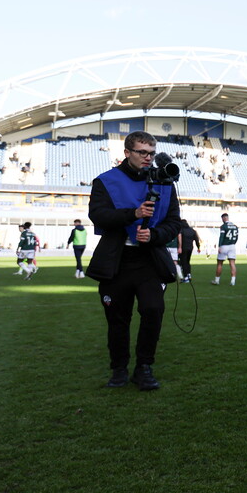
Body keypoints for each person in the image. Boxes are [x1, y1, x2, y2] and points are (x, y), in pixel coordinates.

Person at [87, 131, 182, 390]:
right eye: (142, 152)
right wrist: (134, 213)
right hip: (117, 261)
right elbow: (98, 216)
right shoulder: (105, 181)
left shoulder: (165, 182)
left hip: (149, 260)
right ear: (127, 153)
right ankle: (118, 369)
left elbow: (174, 223)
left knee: (153, 311)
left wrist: (154, 234)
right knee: (118, 319)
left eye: (151, 153)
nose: (148, 158)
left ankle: (144, 367)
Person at [211, 212, 239, 286]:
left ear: (223, 218)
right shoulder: (235, 226)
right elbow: (236, 237)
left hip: (224, 245)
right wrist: (233, 243)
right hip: (232, 246)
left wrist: (219, 246)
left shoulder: (223, 226)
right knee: (232, 263)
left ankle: (217, 280)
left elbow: (222, 236)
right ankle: (233, 281)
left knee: (220, 263)